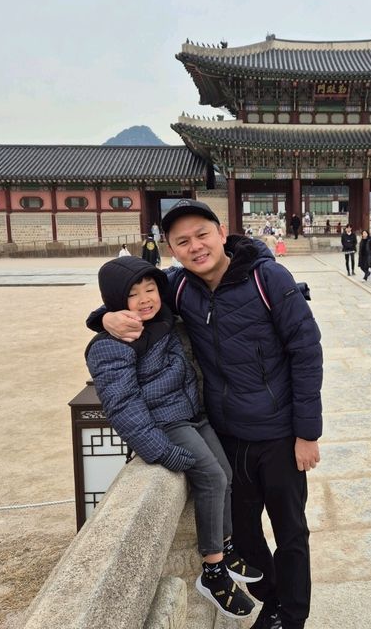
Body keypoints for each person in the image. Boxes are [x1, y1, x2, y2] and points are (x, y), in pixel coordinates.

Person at [88, 200, 323, 629]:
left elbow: (306, 352)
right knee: (245, 534)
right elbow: (139, 299)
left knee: (291, 532)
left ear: (221, 232)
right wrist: (105, 319)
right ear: (172, 250)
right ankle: (268, 601)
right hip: (226, 433)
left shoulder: (269, 278)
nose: (195, 247)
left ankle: (291, 616)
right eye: (182, 241)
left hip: (279, 434)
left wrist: (307, 433)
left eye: (202, 235)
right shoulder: (180, 288)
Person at [85, 256, 260, 619]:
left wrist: (99, 314)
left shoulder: (165, 319)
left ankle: (225, 548)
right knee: (211, 477)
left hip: (193, 414)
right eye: (133, 295)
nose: (146, 298)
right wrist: (160, 450)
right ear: (117, 300)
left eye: (150, 289)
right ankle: (212, 572)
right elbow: (122, 405)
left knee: (225, 474)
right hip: (166, 424)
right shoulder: (111, 345)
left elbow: (175, 278)